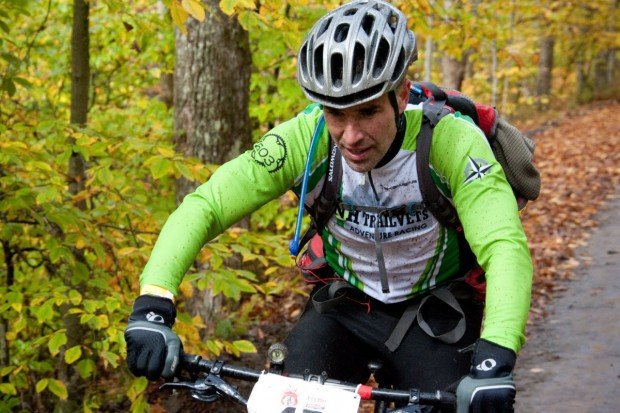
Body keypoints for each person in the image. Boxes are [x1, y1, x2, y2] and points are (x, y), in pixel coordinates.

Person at [124, 1, 532, 411]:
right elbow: (207, 204)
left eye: (369, 111)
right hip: (346, 308)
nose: (351, 136)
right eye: (336, 113)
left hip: (436, 311)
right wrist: (153, 304)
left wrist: (495, 360)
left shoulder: (450, 141)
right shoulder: (306, 138)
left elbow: (503, 246)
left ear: (401, 94)